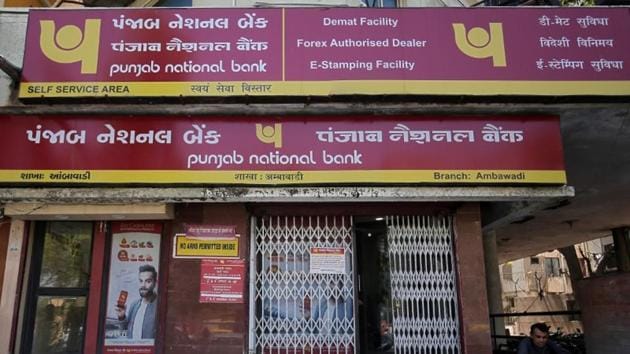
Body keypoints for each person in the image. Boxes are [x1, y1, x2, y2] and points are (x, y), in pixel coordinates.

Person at [116, 264, 158, 339]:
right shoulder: (134, 304)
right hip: (133, 349)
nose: (143, 285)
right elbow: (125, 330)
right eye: (141, 281)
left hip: (149, 350)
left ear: (155, 283)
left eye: (148, 281)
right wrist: (121, 317)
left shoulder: (159, 306)